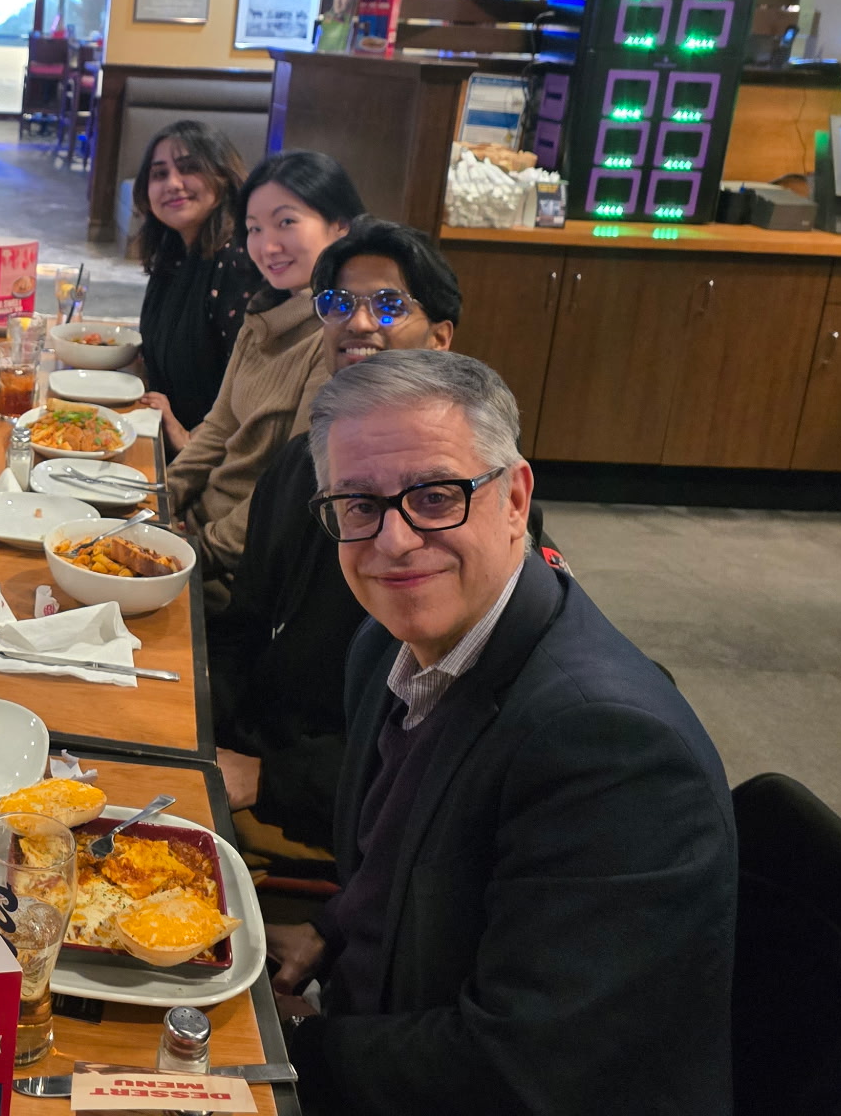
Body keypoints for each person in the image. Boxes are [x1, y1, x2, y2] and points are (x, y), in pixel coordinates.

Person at [268, 350, 737, 1114]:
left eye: (434, 495)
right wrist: (331, 930)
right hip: (380, 1026)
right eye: (358, 505)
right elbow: (415, 851)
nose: (394, 541)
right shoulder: (390, 642)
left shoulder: (608, 747)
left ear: (515, 498)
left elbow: (523, 1069)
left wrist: (286, 1047)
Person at [213, 220, 458, 865]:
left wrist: (270, 778)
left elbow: (443, 728)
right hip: (250, 747)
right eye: (338, 303)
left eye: (388, 305)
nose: (358, 323)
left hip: (344, 806)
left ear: (441, 339)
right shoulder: (301, 465)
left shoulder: (459, 502)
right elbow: (247, 624)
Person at [164, 151, 363, 581]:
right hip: (192, 532)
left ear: (341, 226)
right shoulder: (265, 312)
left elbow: (293, 492)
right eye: (254, 228)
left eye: (286, 222)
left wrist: (198, 554)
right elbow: (218, 426)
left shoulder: (337, 338)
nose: (266, 245)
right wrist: (161, 497)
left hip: (235, 569)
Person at [130, 121, 258, 452]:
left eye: (189, 169)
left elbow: (250, 390)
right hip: (157, 436)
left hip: (207, 465)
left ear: (222, 177)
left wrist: (188, 439)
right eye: (159, 174)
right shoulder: (173, 254)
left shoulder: (238, 262)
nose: (173, 183)